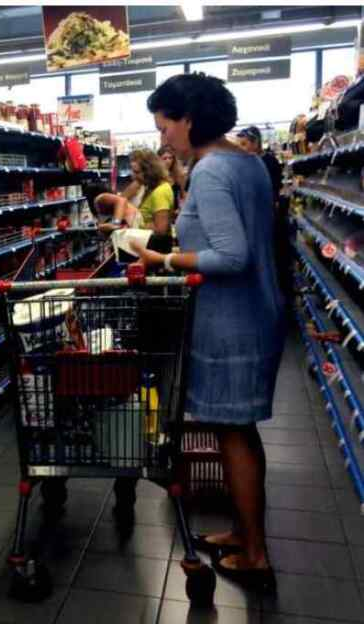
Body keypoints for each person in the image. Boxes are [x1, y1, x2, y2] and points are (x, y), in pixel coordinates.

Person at [131, 73, 286, 592]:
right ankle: (244, 534)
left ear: (189, 120)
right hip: (254, 313)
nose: (163, 138)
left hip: (232, 322)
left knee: (234, 434)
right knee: (239, 431)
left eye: (165, 126)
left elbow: (231, 255)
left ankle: (256, 555)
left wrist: (163, 258)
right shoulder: (247, 161)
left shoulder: (213, 170)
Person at [96, 149, 174, 236]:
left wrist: (130, 226)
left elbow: (160, 229)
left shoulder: (160, 192)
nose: (133, 176)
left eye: (137, 172)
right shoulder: (150, 189)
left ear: (150, 171)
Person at [237, 125, 283, 201]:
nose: (240, 148)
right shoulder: (243, 162)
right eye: (239, 145)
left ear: (255, 142)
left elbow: (277, 184)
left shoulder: (271, 161)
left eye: (243, 144)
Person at [157, 145, 187, 215]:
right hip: (161, 211)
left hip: (175, 212)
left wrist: (182, 208)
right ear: (159, 159)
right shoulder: (156, 176)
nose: (168, 161)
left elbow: (184, 194)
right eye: (164, 158)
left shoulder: (178, 175)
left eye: (170, 158)